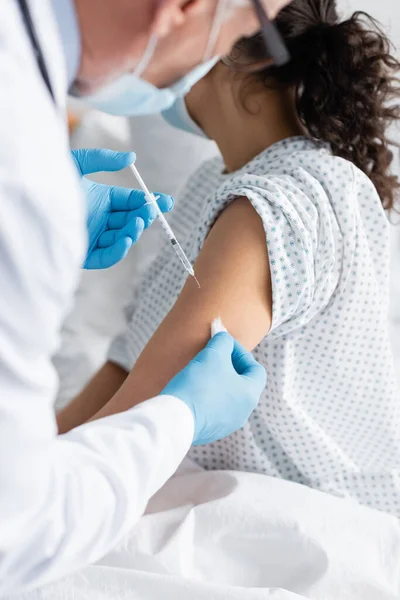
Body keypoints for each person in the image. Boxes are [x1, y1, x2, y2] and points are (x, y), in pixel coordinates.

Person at [58, 0, 400, 517]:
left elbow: (148, 401)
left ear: (247, 56)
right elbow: (128, 365)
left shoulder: (289, 201)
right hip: (176, 480)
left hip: (289, 518)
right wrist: (32, 459)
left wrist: (36, 485)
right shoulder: (211, 185)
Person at [0, 0, 293, 594]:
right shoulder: (23, 175)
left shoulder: (279, 203)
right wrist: (179, 415)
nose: (207, 64)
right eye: (241, 31)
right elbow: (22, 527)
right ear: (186, 8)